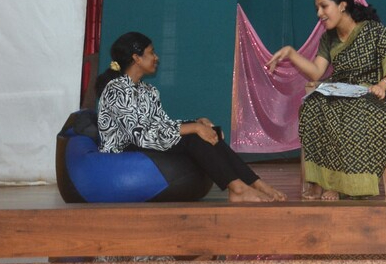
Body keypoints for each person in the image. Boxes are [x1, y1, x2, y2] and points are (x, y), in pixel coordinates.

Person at [266, 0, 386, 200]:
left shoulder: (373, 31)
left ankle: (347, 185)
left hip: (372, 93)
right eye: (317, 9)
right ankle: (326, 181)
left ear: (342, 5)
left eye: (324, 6)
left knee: (351, 113)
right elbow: (316, 72)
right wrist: (291, 53)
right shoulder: (328, 38)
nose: (319, 14)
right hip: (340, 90)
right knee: (312, 106)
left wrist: (384, 84)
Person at [96, 31, 285, 203]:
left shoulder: (148, 90)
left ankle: (255, 183)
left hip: (146, 141)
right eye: (151, 53)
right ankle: (237, 189)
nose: (156, 57)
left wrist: (197, 123)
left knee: (208, 132)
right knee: (194, 136)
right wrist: (193, 128)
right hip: (125, 148)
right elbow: (140, 135)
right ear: (136, 58)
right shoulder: (116, 90)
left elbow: (162, 123)